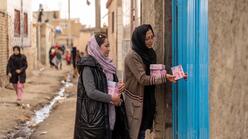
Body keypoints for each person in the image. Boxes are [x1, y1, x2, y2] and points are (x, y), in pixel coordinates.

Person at [123, 24, 177, 139]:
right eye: (147, 38)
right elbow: (143, 79)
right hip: (136, 101)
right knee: (136, 133)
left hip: (148, 99)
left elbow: (156, 71)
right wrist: (164, 77)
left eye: (152, 37)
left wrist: (176, 74)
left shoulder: (150, 53)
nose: (150, 41)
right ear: (139, 39)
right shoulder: (132, 56)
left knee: (143, 131)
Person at [74, 33, 130, 139]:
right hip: (95, 120)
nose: (109, 49)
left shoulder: (108, 66)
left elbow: (107, 86)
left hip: (111, 114)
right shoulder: (88, 67)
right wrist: (111, 98)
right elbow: (91, 92)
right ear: (96, 48)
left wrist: (119, 87)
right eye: (106, 46)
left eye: (109, 46)